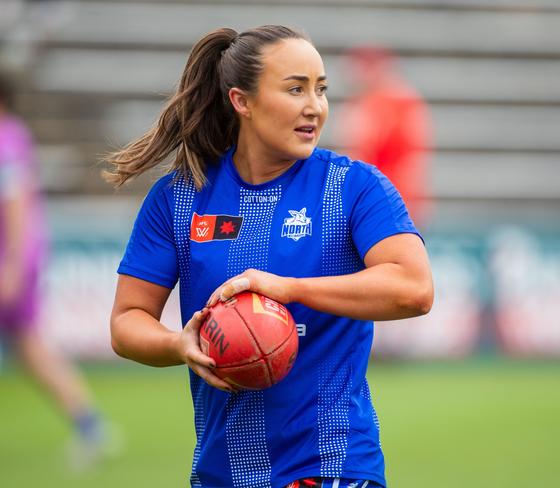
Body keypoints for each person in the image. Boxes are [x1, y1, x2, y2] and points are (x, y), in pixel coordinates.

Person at [106, 25, 433, 488]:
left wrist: (289, 289)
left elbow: (414, 289)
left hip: (333, 469)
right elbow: (127, 320)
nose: (314, 106)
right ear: (242, 101)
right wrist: (178, 345)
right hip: (219, 475)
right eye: (295, 88)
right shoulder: (178, 199)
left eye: (321, 90)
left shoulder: (355, 187)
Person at [0, 73, 109, 468]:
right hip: (17, 258)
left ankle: (91, 425)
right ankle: (90, 424)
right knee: (30, 347)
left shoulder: (6, 139)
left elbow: (14, 205)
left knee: (31, 346)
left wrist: (11, 266)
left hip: (11, 262)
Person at [336, 46, 434, 228]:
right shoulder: (394, 101)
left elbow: (362, 152)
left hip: (386, 197)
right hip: (387, 196)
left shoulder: (394, 103)